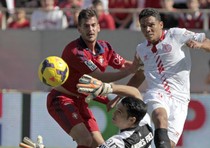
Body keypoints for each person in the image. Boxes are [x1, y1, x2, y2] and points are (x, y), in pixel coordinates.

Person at [46, 8, 139, 148]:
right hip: (62, 99)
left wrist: (142, 64)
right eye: (86, 26)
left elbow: (124, 64)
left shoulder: (105, 47)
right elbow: (99, 77)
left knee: (100, 145)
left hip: (81, 101)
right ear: (79, 29)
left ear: (99, 27)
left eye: (93, 25)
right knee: (85, 140)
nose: (90, 29)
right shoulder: (75, 51)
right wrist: (131, 70)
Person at [126, 8, 210, 148]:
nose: (147, 29)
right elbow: (139, 75)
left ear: (161, 25)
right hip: (156, 93)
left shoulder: (177, 34)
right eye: (143, 26)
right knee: (160, 116)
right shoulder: (141, 49)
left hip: (180, 99)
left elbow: (207, 41)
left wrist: (200, 45)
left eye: (151, 25)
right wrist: (119, 95)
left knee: (168, 144)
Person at [76, 74, 153, 148]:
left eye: (119, 112)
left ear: (131, 120)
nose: (114, 113)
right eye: (117, 109)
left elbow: (135, 92)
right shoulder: (144, 121)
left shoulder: (118, 142)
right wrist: (106, 88)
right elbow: (135, 92)